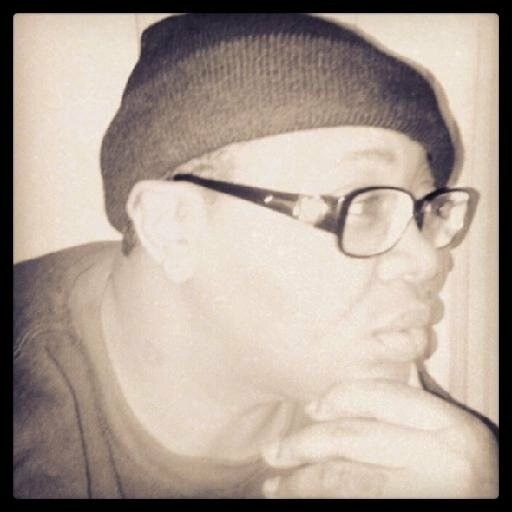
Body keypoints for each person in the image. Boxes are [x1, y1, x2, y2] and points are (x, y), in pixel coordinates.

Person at [13, 13, 498, 498]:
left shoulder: (411, 440)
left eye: (424, 211)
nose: (428, 261)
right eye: (364, 205)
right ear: (172, 227)